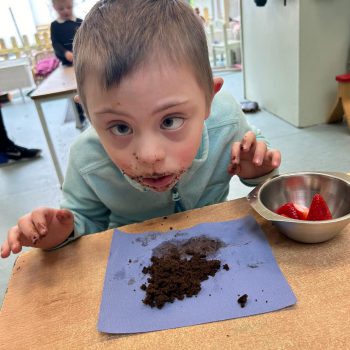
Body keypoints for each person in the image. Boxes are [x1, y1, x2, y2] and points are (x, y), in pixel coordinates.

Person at [1, 0, 281, 258]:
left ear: (209, 98)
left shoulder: (227, 120)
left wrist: (259, 170)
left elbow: (261, 173)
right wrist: (59, 233)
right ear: (88, 114)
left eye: (170, 121)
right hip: (134, 265)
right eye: (120, 127)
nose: (149, 156)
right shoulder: (87, 160)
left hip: (216, 249)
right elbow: (84, 221)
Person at [50, 0, 86, 127]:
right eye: (61, 9)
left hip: (83, 63)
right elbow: (56, 44)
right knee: (72, 91)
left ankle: (89, 110)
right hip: (67, 65)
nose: (65, 11)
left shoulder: (80, 21)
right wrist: (65, 53)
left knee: (85, 87)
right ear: (54, 7)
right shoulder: (55, 25)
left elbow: (86, 39)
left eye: (69, 7)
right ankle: (79, 116)